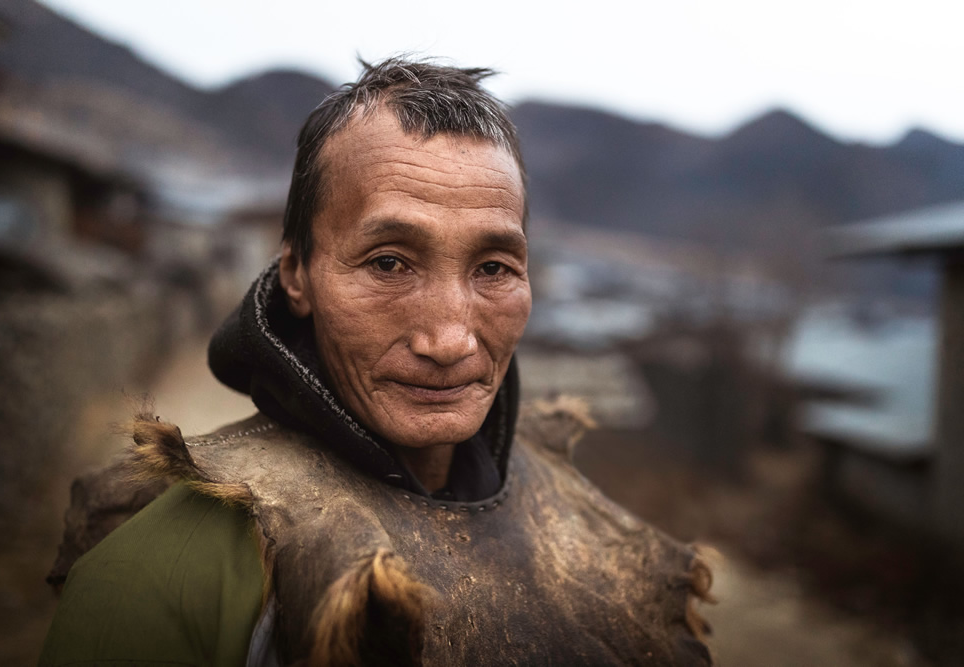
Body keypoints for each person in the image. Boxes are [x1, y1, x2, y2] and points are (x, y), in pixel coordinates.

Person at [39, 57, 713, 666]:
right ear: (297, 273)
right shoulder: (164, 575)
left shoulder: (580, 525)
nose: (449, 339)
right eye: (389, 262)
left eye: (494, 267)